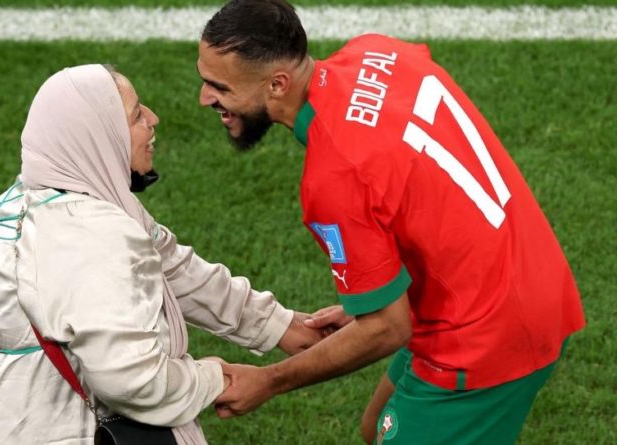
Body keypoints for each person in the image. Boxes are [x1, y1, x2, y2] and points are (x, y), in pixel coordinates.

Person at [195, 1, 586, 444]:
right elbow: (413, 183)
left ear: (278, 84)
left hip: (483, 334)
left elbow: (387, 327)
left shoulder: (335, 176)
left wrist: (270, 380)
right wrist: (373, 296)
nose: (205, 98)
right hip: (531, 281)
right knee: (375, 426)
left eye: (218, 86)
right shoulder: (376, 51)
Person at [0, 64, 324, 444]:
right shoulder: (90, 237)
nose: (153, 119)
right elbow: (132, 380)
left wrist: (280, 325)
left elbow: (172, 267)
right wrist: (214, 378)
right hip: (34, 429)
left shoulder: (40, 193)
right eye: (134, 116)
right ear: (97, 138)